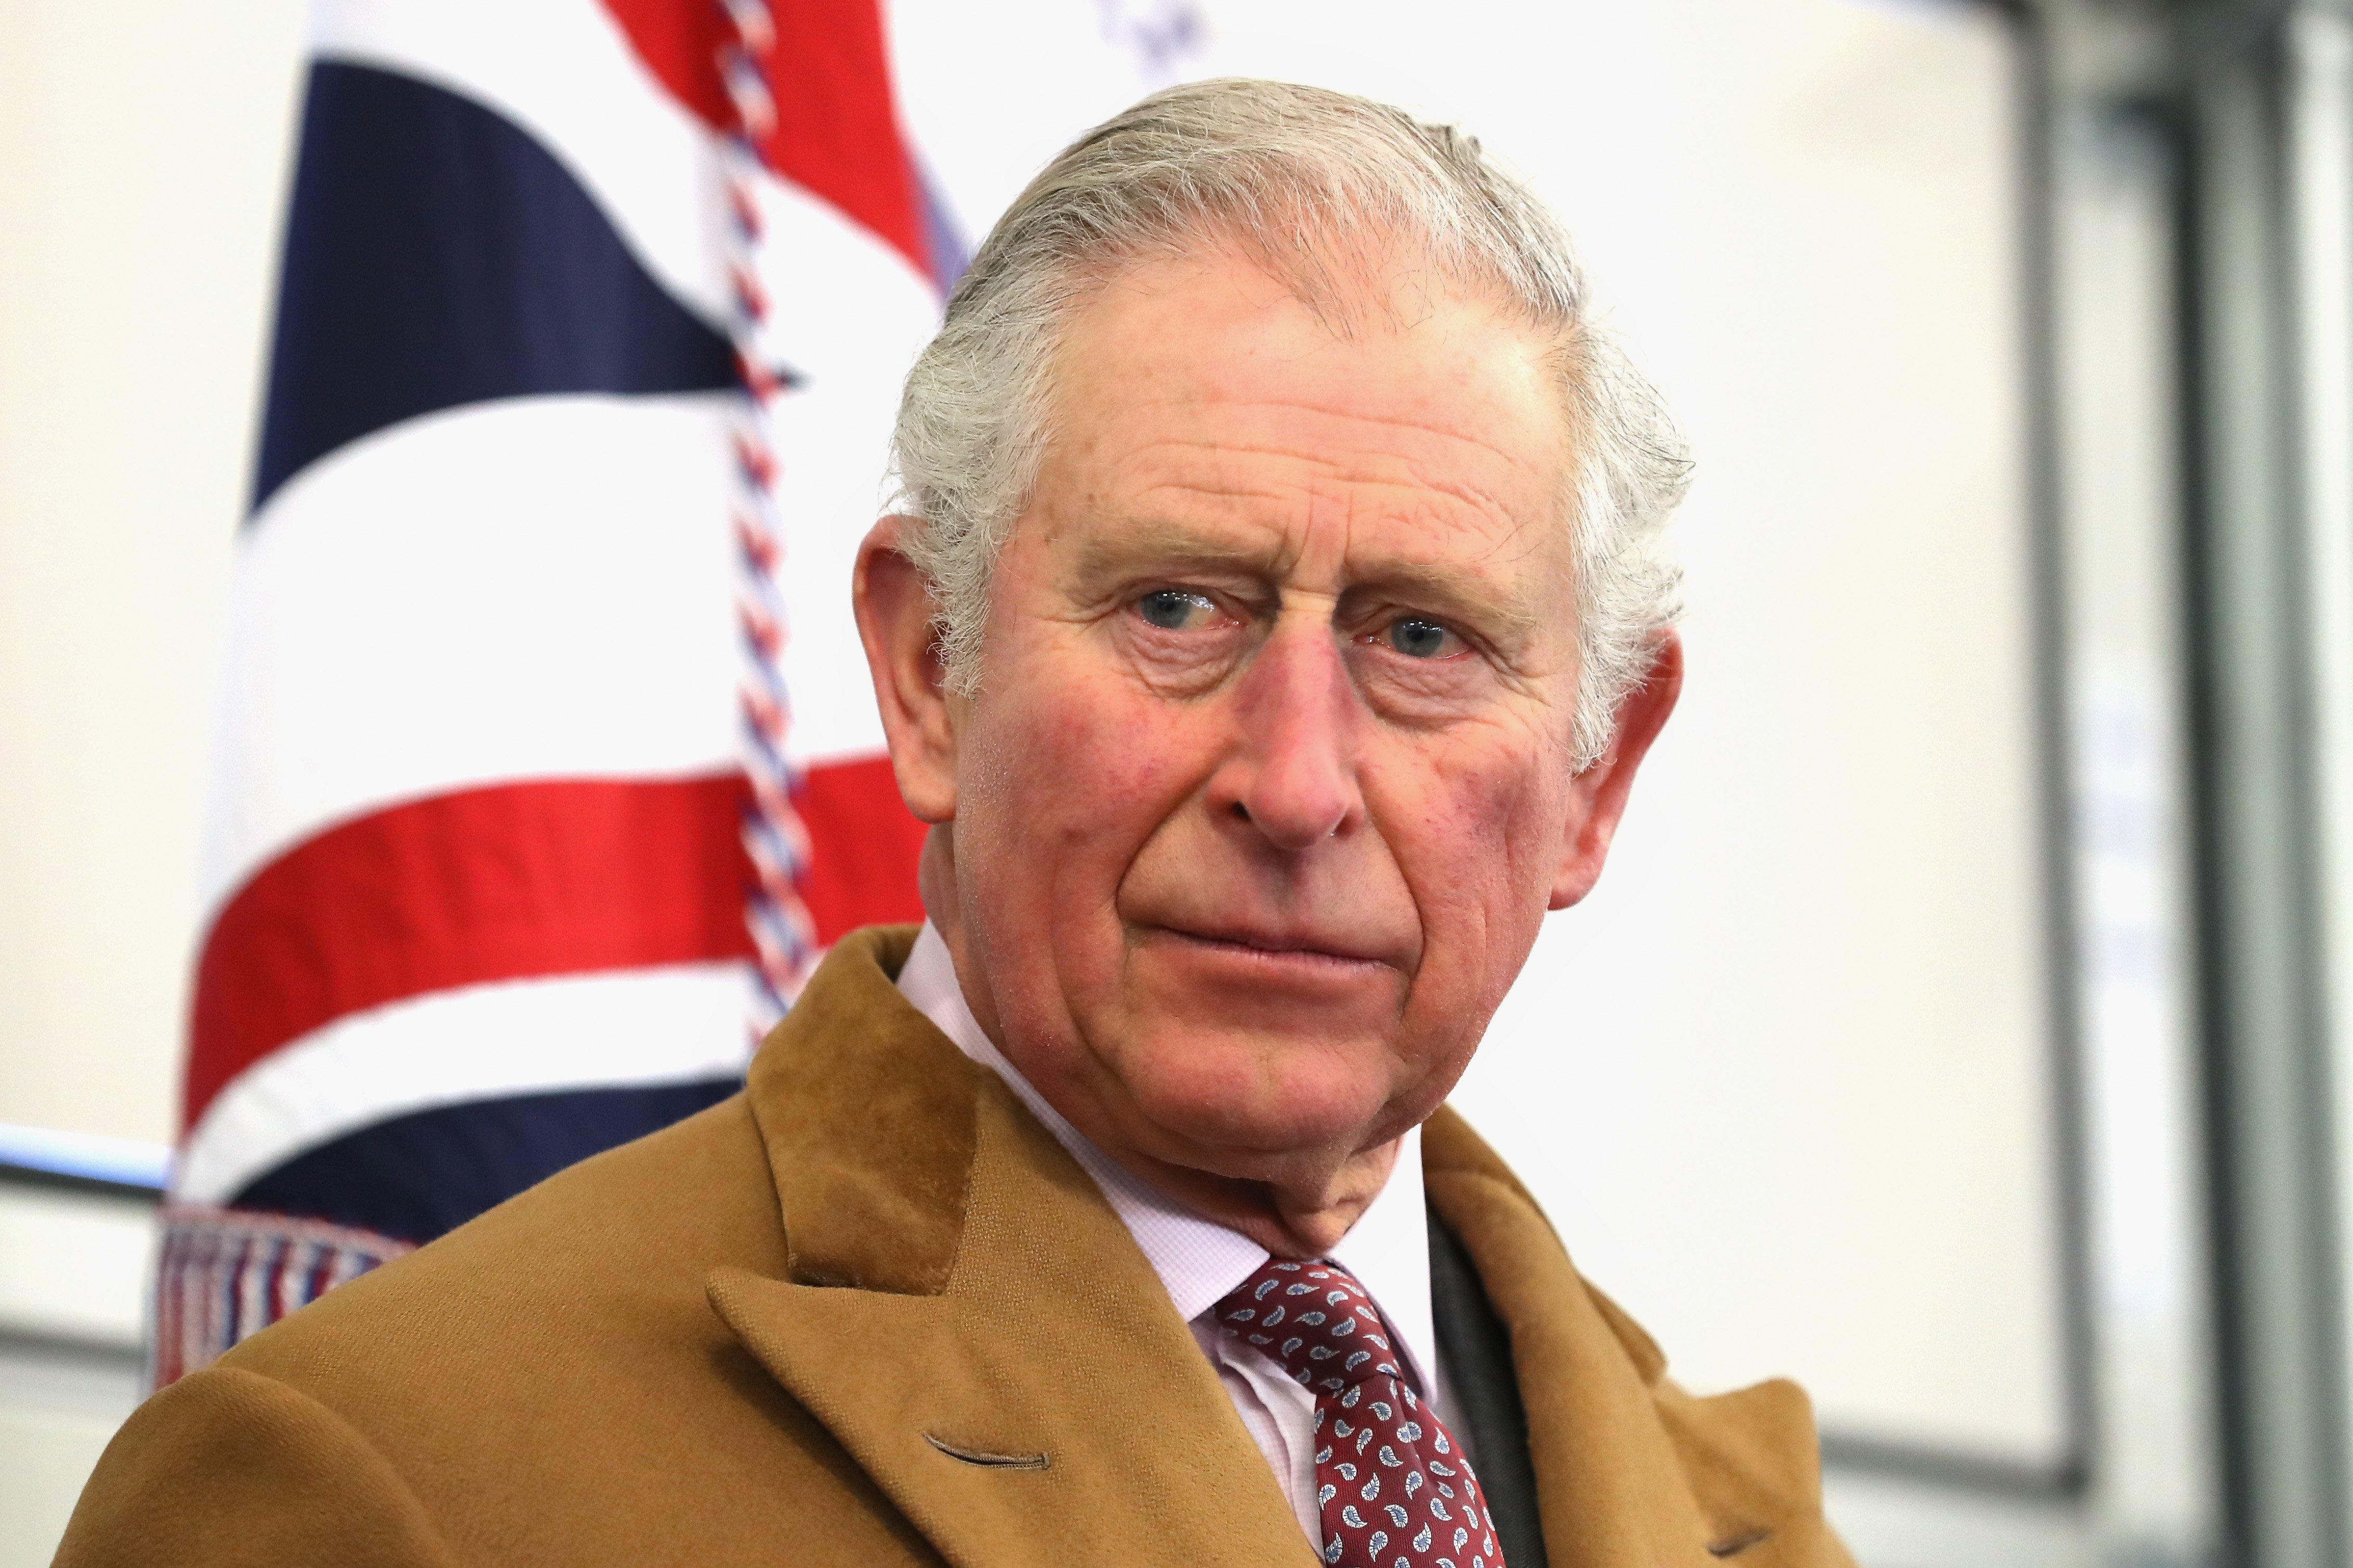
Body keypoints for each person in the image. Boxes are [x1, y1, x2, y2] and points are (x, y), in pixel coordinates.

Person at [58, 79, 1853, 1568]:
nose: (1297, 782)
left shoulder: (1738, 1513)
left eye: (1422, 640)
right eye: (1181, 607)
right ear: (931, 670)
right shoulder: (389, 1484)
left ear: (1596, 773)